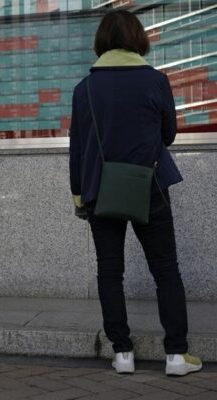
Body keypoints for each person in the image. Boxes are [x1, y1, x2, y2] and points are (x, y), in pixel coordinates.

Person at [69, 10, 202, 376]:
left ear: (101, 41)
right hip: (150, 186)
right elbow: (169, 134)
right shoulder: (155, 82)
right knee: (165, 270)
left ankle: (122, 353)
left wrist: (79, 194)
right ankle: (176, 355)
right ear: (139, 39)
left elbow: (78, 148)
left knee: (110, 273)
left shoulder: (85, 89)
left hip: (100, 191)